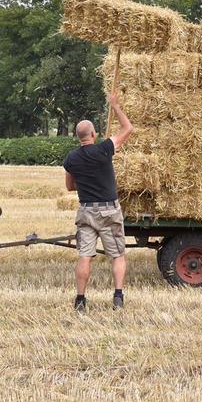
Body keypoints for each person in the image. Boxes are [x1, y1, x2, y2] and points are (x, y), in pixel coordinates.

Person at [63, 92, 133, 312]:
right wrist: (115, 106)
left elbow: (70, 186)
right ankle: (118, 297)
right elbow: (128, 128)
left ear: (78, 137)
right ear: (93, 134)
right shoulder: (104, 149)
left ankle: (80, 299)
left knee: (85, 256)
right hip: (109, 211)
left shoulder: (71, 159)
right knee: (117, 255)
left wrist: (86, 182)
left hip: (86, 212)